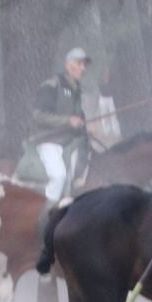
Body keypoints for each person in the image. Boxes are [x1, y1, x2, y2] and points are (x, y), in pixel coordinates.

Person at [31, 48, 92, 206]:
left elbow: (78, 118)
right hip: (49, 142)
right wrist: (68, 121)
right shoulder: (51, 86)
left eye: (84, 65)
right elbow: (38, 115)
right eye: (79, 63)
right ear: (67, 65)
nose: (83, 68)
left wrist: (83, 125)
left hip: (69, 145)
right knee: (59, 177)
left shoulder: (77, 90)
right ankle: (46, 215)